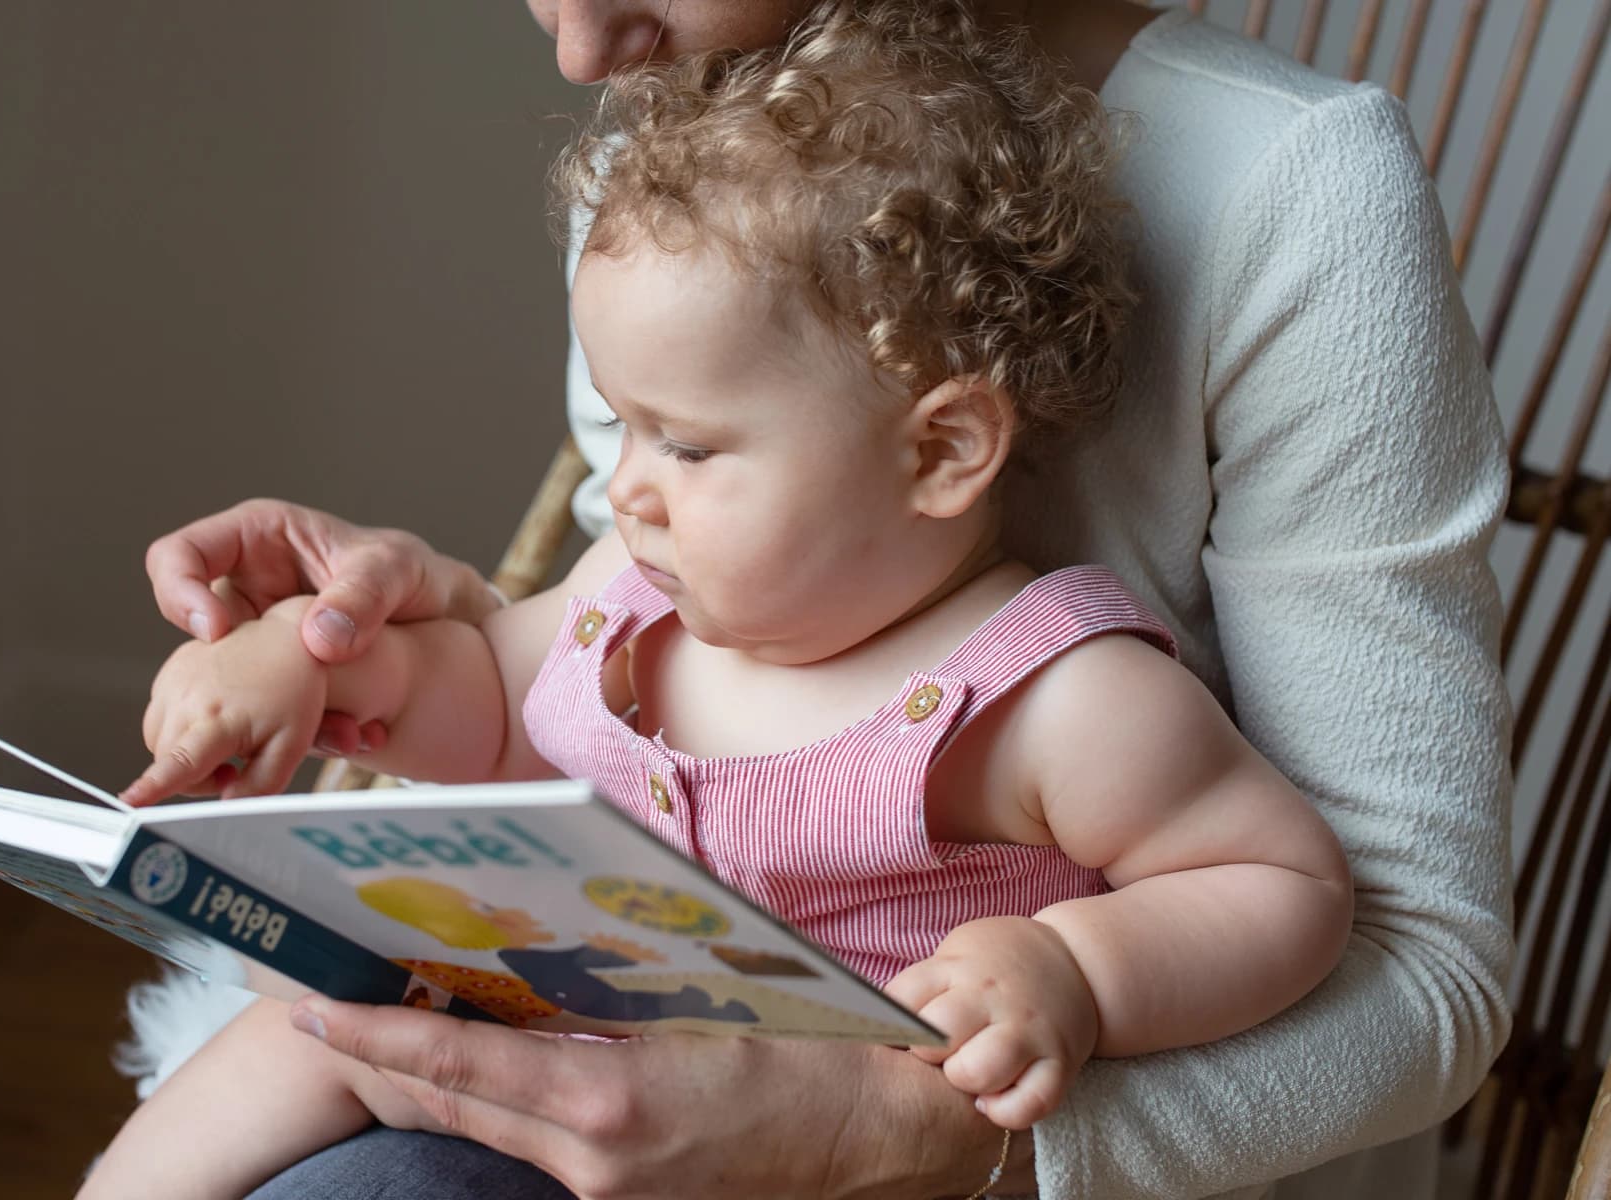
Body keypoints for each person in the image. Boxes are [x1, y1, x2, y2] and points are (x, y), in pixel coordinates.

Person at [138, 1, 1513, 1198]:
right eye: (628, 432)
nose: (580, 49)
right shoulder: (684, 202)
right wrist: (315, 665)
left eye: (672, 445)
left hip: (911, 1136)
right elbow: (497, 689)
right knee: (288, 1040)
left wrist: (1068, 983)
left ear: (939, 449)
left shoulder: (1053, 696)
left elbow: (1298, 892)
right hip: (599, 1037)